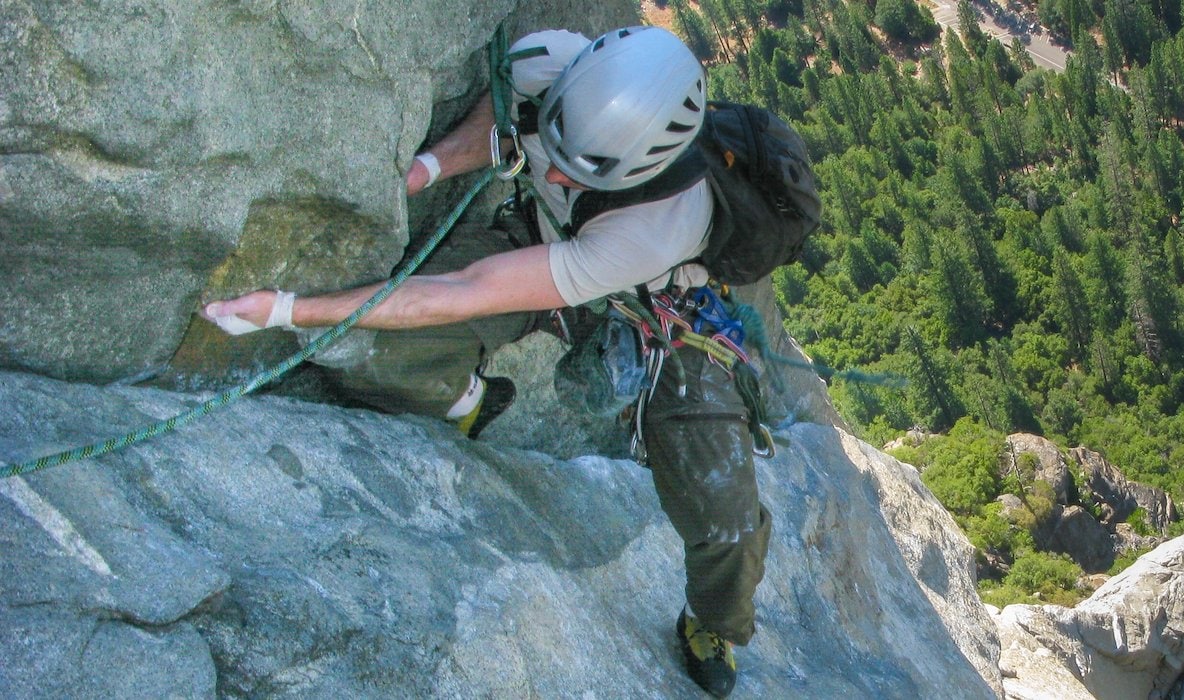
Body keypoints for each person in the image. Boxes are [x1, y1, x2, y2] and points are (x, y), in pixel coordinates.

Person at [200, 26, 766, 698]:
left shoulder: (658, 226)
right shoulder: (548, 63)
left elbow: (469, 290)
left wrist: (290, 308)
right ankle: (470, 401)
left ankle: (715, 621)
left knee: (724, 519)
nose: (552, 173)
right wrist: (428, 169)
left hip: (662, 310)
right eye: (553, 152)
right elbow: (501, 125)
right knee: (366, 347)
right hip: (541, 242)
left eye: (576, 169)